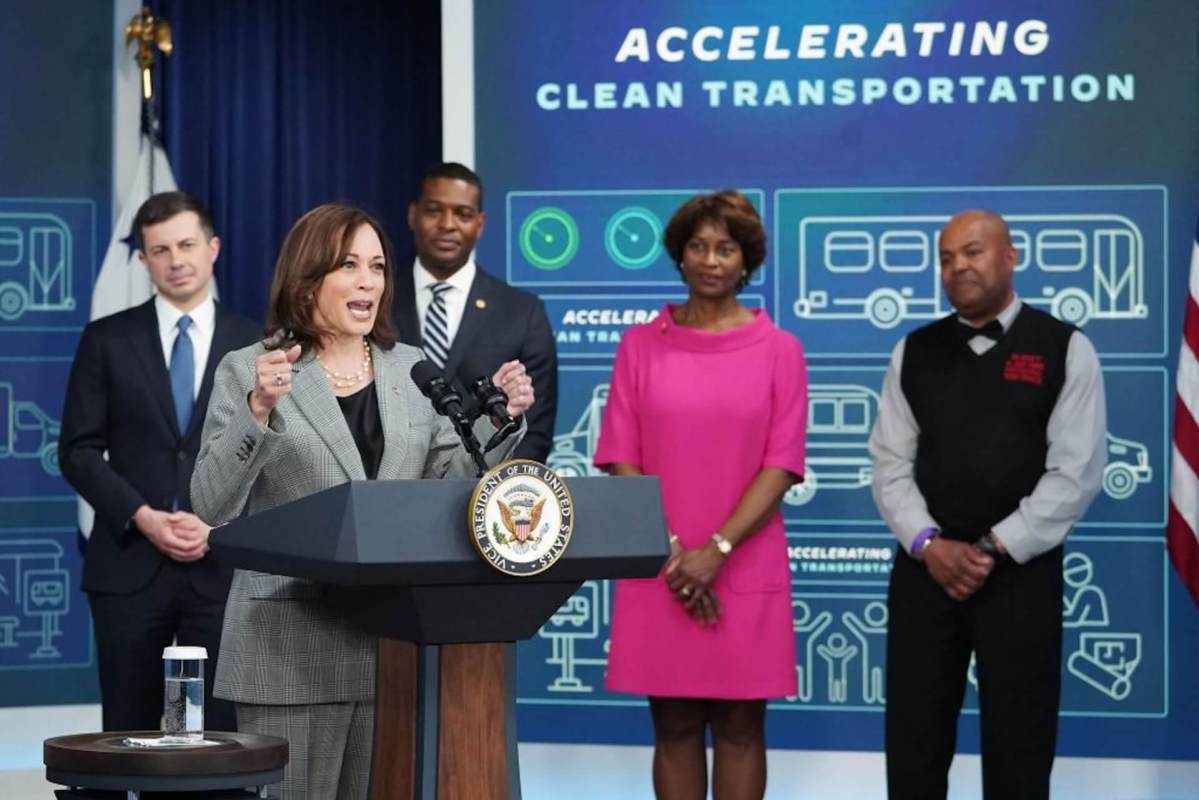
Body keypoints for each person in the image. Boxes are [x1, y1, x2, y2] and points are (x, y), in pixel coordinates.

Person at [190, 203, 532, 799]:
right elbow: (210, 504)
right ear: (307, 279)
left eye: (377, 266)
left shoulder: (412, 370)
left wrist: (500, 422)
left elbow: (446, 483)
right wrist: (258, 411)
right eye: (349, 265)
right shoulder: (251, 370)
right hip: (289, 649)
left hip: (392, 648)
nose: (368, 281)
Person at [869, 209, 1106, 799]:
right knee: (914, 751)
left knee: (1020, 754)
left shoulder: (1065, 348)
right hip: (926, 573)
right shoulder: (913, 350)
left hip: (1020, 575)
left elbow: (1075, 474)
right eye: (946, 258)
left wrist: (991, 547)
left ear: (1009, 256)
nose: (958, 268)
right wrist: (928, 544)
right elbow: (889, 465)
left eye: (972, 252)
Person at [594, 190, 807, 800]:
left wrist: (714, 552)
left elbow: (782, 465)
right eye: (698, 246)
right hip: (663, 568)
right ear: (679, 255)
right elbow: (621, 456)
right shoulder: (640, 346)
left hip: (745, 563)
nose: (711, 260)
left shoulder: (780, 350)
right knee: (675, 726)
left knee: (741, 728)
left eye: (726, 248)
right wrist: (676, 556)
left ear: (747, 261)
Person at [59, 190, 260, 732]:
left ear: (213, 248)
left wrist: (217, 525)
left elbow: (271, 456)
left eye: (187, 245)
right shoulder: (106, 339)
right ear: (143, 260)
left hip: (222, 567)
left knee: (221, 736)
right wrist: (143, 516)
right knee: (127, 732)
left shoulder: (257, 344)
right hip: (129, 565)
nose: (176, 261)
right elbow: (76, 451)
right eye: (160, 250)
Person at [393, 161, 557, 462]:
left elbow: (534, 433)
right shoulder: (378, 304)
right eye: (434, 210)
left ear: (480, 224)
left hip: (489, 485)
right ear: (412, 215)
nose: (447, 224)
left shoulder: (523, 313)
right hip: (392, 485)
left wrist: (491, 487)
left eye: (463, 214)